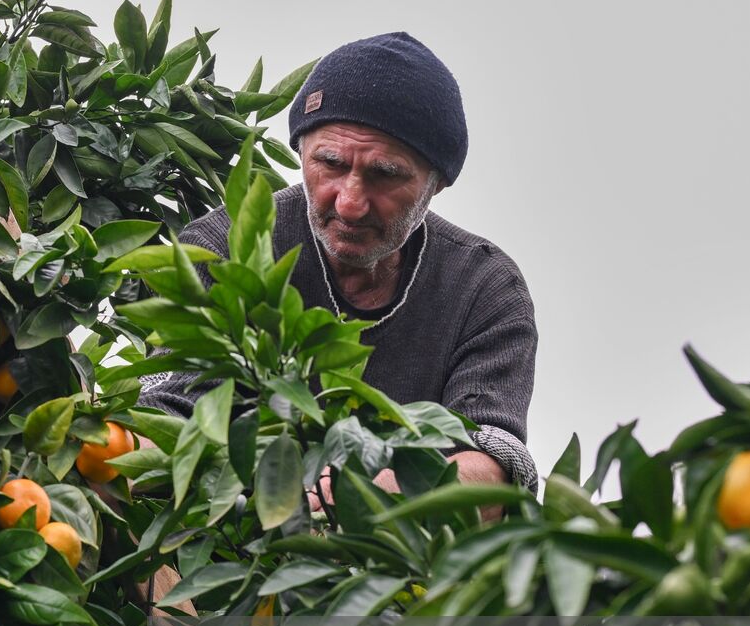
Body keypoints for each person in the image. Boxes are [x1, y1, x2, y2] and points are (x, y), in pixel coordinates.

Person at [139, 32, 539, 513]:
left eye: (385, 174)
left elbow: (494, 461)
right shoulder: (219, 249)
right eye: (329, 163)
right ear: (301, 153)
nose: (349, 203)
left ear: (438, 183)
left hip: (401, 568)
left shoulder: (484, 289)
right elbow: (167, 410)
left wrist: (379, 492)